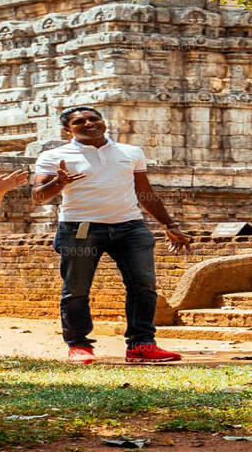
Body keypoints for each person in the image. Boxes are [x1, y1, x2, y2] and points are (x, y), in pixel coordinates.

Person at [31, 106, 193, 364]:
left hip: (130, 227)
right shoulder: (54, 156)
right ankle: (79, 345)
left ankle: (141, 344)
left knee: (143, 286)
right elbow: (38, 196)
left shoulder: (130, 152)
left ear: (103, 122)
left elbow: (144, 192)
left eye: (94, 118)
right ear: (67, 130)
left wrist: (169, 224)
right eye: (79, 122)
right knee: (76, 288)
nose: (88, 123)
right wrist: (58, 183)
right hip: (80, 228)